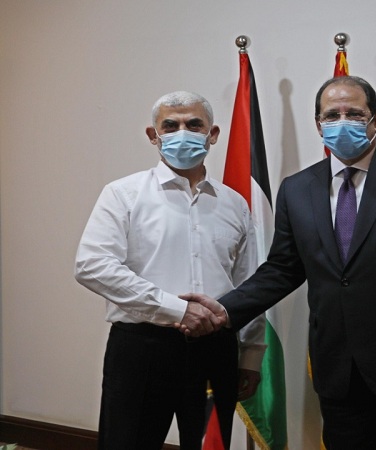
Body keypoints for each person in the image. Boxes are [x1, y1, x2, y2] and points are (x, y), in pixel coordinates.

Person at [180, 76, 376, 449]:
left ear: (375, 120)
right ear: (318, 124)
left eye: (354, 113)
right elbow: (282, 269)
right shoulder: (297, 189)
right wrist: (224, 309)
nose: (342, 122)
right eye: (332, 115)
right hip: (340, 374)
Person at [74, 91, 265, 450]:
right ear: (153, 135)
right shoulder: (123, 194)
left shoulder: (234, 204)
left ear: (212, 134)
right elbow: (92, 265)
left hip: (216, 352)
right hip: (142, 349)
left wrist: (252, 354)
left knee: (210, 445)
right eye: (170, 126)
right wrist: (177, 309)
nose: (182, 133)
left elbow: (249, 283)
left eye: (194, 124)